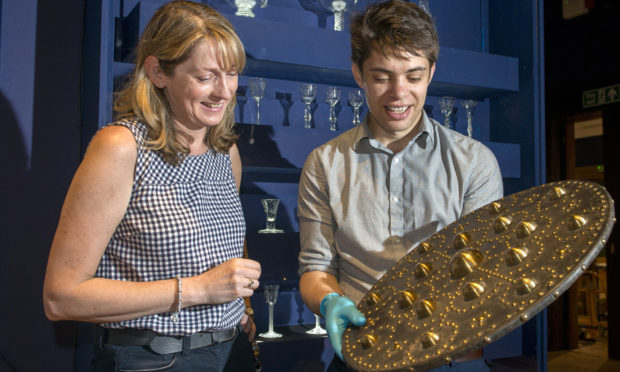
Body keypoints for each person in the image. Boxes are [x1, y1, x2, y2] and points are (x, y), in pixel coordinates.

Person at [42, 2, 261, 371]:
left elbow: (226, 249)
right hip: (154, 359)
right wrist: (199, 290)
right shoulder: (121, 147)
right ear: (158, 72)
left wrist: (243, 309)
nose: (224, 92)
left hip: (230, 350)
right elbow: (62, 297)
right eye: (206, 77)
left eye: (232, 73)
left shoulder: (226, 153)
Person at [297, 1, 503, 371]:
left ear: (432, 72)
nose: (398, 93)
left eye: (413, 75)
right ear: (358, 73)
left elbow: (483, 271)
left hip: (453, 356)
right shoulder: (324, 164)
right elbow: (316, 269)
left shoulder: (475, 162)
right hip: (365, 353)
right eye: (381, 77)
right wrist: (329, 301)